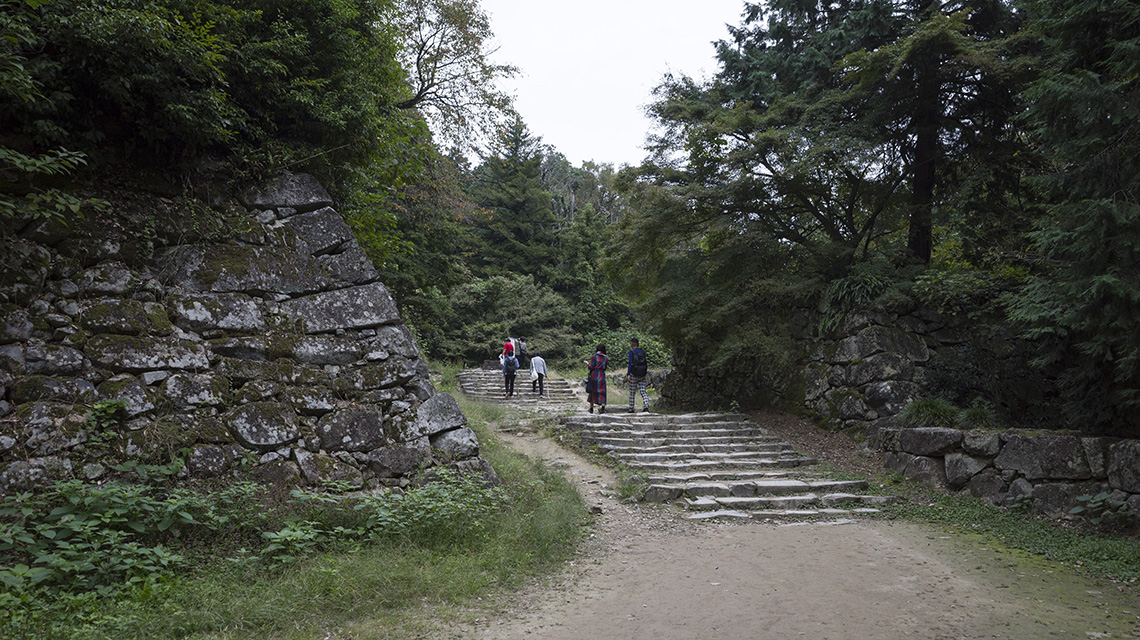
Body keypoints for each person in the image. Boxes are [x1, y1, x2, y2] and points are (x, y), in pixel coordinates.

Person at [626, 337, 651, 413]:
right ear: (638, 344)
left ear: (631, 344)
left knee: (632, 391)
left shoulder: (631, 352)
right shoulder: (642, 351)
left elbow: (630, 363)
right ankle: (646, 406)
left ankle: (631, 408)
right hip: (642, 374)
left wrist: (628, 374)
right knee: (643, 390)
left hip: (634, 374)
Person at [584, 343, 607, 413]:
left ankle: (591, 408)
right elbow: (605, 367)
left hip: (595, 375)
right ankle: (602, 408)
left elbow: (592, 367)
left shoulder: (594, 357)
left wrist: (587, 364)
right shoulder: (606, 357)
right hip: (602, 375)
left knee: (592, 391)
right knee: (602, 392)